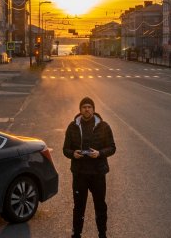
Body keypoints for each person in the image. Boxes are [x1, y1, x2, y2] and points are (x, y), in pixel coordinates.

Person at [63, 97, 116, 238]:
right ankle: (77, 234)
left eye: (89, 107)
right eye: (84, 107)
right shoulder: (72, 126)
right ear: (80, 110)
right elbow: (65, 149)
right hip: (79, 174)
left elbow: (112, 147)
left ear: (93, 109)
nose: (87, 109)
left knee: (100, 205)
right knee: (79, 207)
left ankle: (102, 233)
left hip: (98, 173)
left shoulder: (104, 126)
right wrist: (73, 154)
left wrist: (99, 153)